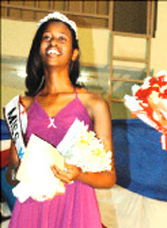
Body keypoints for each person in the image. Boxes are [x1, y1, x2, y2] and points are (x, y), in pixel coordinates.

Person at [5, 12, 116, 228]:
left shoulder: (94, 104)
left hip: (76, 206)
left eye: (62, 38)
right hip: (32, 206)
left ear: (74, 53)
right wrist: (19, 172)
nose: (53, 42)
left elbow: (109, 177)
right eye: (47, 37)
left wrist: (79, 174)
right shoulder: (23, 106)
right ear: (39, 48)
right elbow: (12, 173)